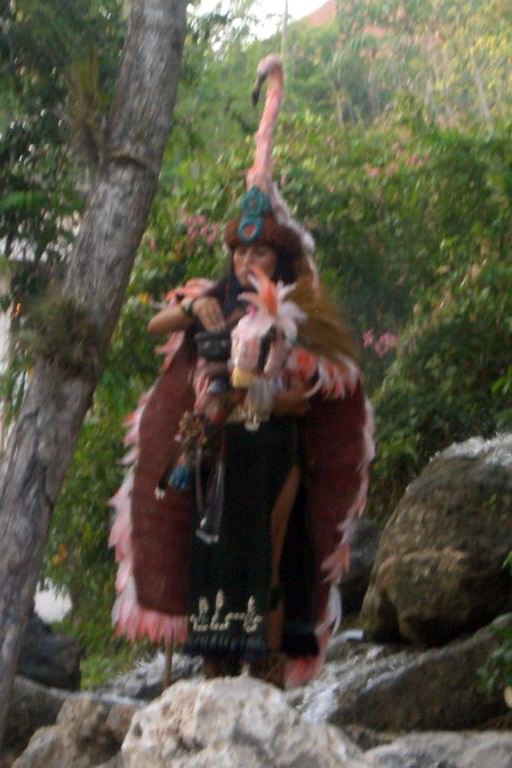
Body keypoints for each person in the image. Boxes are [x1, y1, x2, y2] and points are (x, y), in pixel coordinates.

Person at [109, 55, 374, 689]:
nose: (247, 259)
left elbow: (308, 393)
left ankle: (264, 669)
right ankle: (216, 662)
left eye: (258, 251)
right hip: (216, 447)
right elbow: (156, 327)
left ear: (278, 259)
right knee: (212, 553)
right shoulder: (216, 294)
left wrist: (263, 397)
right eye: (240, 250)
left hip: (272, 449)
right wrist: (193, 309)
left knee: (268, 555)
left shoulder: (297, 311)